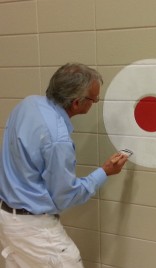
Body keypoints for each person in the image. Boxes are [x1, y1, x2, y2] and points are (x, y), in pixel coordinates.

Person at [0, 63, 128, 268]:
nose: (95, 102)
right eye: (94, 99)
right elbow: (65, 196)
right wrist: (104, 172)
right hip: (34, 230)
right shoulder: (58, 140)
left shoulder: (28, 104)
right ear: (76, 103)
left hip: (7, 220)